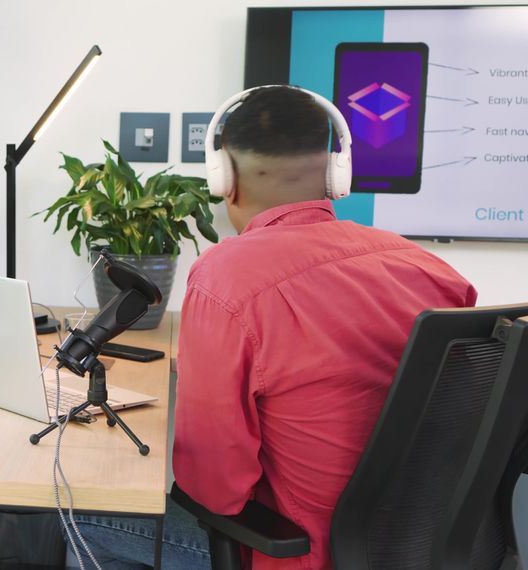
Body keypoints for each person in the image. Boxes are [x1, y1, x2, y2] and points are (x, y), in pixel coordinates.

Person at [73, 85, 477, 569]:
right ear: (334, 173)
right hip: (427, 545)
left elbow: (215, 489)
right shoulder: (428, 269)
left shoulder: (228, 278)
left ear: (225, 178)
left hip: (295, 553)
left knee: (80, 517)